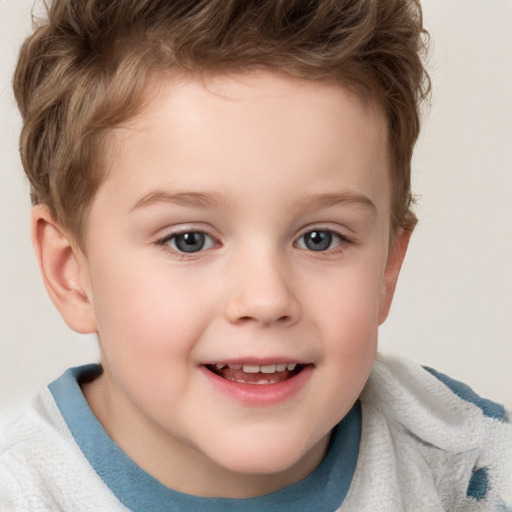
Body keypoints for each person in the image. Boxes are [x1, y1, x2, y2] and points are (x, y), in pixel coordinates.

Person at [1, 0, 510, 510]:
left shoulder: (471, 467)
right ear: (71, 271)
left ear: (387, 269)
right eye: (189, 240)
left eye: (320, 238)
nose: (266, 300)